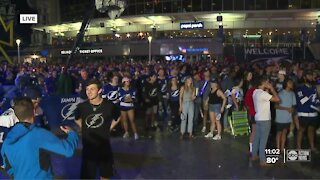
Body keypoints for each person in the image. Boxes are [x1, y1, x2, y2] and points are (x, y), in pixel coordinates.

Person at [1, 97, 78, 179]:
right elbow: (68, 150)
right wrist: (72, 134)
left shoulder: (7, 140)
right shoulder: (39, 134)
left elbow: (8, 168)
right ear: (34, 112)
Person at [75, 79, 120, 179]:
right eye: (87, 89)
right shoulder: (82, 106)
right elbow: (76, 118)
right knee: (87, 176)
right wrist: (84, 127)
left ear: (99, 90)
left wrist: (109, 128)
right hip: (88, 148)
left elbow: (118, 117)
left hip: (104, 147)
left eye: (92, 89)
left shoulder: (109, 105)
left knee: (105, 175)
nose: (89, 92)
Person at [252, 76, 280, 167]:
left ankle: (254, 155)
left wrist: (267, 89)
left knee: (257, 138)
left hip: (258, 118)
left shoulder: (255, 92)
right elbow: (277, 99)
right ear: (263, 82)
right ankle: (262, 160)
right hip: (265, 119)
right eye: (267, 82)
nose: (269, 84)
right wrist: (272, 89)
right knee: (263, 140)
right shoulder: (263, 94)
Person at [295, 71, 320, 152]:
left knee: (311, 130)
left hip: (313, 114)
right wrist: (315, 106)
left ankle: (312, 147)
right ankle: (298, 148)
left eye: (312, 75)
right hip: (304, 113)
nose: (311, 77)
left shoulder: (314, 88)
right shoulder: (300, 88)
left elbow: (316, 100)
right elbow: (302, 100)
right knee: (301, 130)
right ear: (305, 77)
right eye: (309, 75)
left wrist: (318, 106)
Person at [275, 79, 296, 152]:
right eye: (290, 82)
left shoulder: (292, 93)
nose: (291, 84)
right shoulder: (280, 93)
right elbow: (276, 106)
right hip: (280, 117)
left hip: (288, 117)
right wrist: (286, 108)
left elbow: (293, 105)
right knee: (279, 132)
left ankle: (282, 147)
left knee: (285, 132)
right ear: (286, 84)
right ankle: (278, 148)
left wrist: (292, 109)